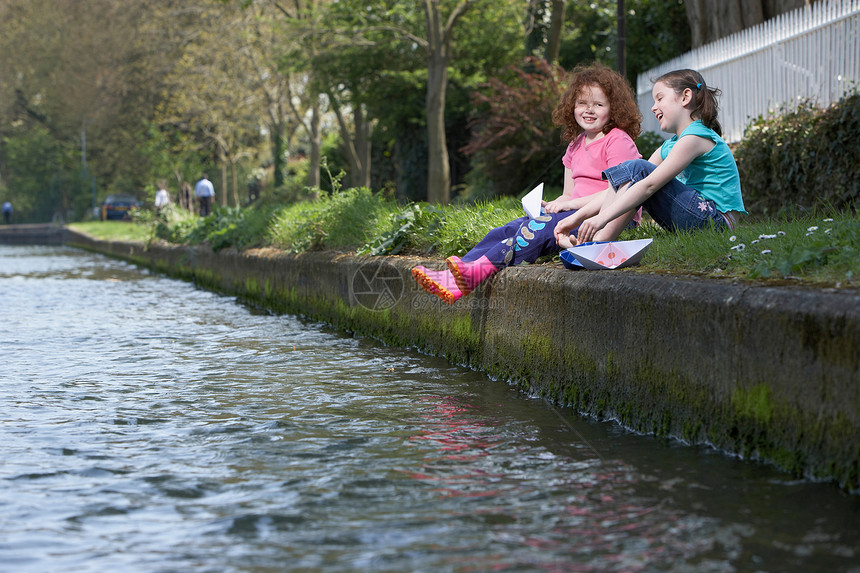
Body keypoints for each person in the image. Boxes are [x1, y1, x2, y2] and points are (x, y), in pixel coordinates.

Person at [412, 63, 643, 304]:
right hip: (575, 213)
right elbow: (569, 194)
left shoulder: (617, 141)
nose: (589, 110)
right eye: (582, 103)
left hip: (606, 218)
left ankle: (474, 274)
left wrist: (568, 207)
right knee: (508, 229)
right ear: (572, 106)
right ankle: (455, 275)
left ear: (613, 109)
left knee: (534, 230)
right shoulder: (575, 145)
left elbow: (619, 191)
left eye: (598, 104)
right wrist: (555, 204)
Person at [555, 69, 746, 247]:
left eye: (660, 98)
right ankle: (596, 241)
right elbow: (624, 185)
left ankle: (600, 242)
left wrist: (601, 218)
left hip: (718, 223)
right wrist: (576, 217)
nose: (654, 107)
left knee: (638, 168)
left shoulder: (696, 137)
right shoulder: (671, 145)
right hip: (697, 216)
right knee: (633, 171)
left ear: (686, 97)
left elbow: (648, 185)